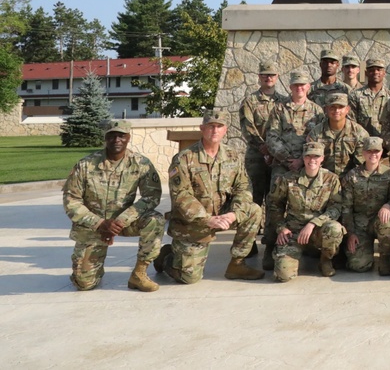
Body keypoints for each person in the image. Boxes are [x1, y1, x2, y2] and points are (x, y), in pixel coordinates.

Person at [155, 109, 264, 284]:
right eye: (210, 126)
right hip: (194, 221)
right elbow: (181, 196)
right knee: (189, 277)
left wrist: (234, 214)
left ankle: (237, 263)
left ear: (225, 130)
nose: (214, 130)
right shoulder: (184, 158)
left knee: (253, 210)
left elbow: (243, 187)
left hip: (223, 213)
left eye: (219, 126)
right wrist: (207, 219)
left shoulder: (232, 156)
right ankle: (167, 257)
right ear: (202, 128)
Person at [62, 119, 163, 292]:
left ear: (128, 137)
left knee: (155, 220)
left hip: (124, 224)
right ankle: (94, 266)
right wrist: (100, 223)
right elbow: (71, 201)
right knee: (84, 284)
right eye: (112, 135)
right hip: (94, 227)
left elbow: (151, 196)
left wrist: (123, 220)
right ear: (105, 138)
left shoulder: (141, 164)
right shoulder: (86, 165)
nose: (117, 140)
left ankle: (139, 273)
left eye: (121, 135)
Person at [263, 71, 324, 268]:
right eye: (295, 85)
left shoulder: (317, 111)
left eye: (303, 85)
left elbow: (319, 140)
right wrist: (289, 159)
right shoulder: (279, 110)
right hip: (283, 166)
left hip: (309, 165)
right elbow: (271, 137)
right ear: (290, 87)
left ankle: (311, 245)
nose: (299, 88)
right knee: (275, 204)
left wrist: (302, 160)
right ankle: (271, 246)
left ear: (308, 87)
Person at [268, 142, 346, 282]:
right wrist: (281, 228)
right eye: (308, 156)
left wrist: (313, 224)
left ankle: (325, 260)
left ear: (322, 158)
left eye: (316, 156)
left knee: (335, 229)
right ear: (303, 158)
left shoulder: (332, 179)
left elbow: (336, 207)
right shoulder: (287, 179)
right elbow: (275, 205)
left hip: (318, 230)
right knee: (283, 275)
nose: (312, 160)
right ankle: (296, 255)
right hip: (293, 231)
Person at [239, 61, 289, 229]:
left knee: (275, 198)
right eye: (265, 75)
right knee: (254, 198)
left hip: (277, 158)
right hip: (257, 157)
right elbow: (248, 128)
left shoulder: (284, 101)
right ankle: (248, 240)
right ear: (259, 77)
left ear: (277, 77)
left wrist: (275, 151)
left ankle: (272, 237)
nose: (269, 77)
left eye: (272, 75)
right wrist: (264, 148)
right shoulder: (250, 101)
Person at [341, 137, 390, 276]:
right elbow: (346, 207)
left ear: (381, 153)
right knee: (358, 265)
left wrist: (387, 205)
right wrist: (350, 233)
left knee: (388, 222)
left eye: (376, 151)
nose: (373, 155)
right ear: (363, 153)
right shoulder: (352, 176)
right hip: (360, 224)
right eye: (369, 151)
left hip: (380, 219)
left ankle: (385, 258)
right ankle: (362, 252)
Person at [304, 92, 369, 178]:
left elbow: (362, 163)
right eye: (332, 107)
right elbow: (312, 162)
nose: (336, 111)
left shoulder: (359, 133)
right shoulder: (316, 133)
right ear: (326, 109)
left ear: (347, 109)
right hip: (324, 179)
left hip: (351, 178)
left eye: (341, 107)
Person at [349, 58, 390, 137]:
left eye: (379, 70)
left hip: (386, 145)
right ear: (366, 73)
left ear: (384, 73)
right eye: (371, 70)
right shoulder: (355, 96)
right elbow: (351, 123)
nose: (375, 72)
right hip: (363, 144)